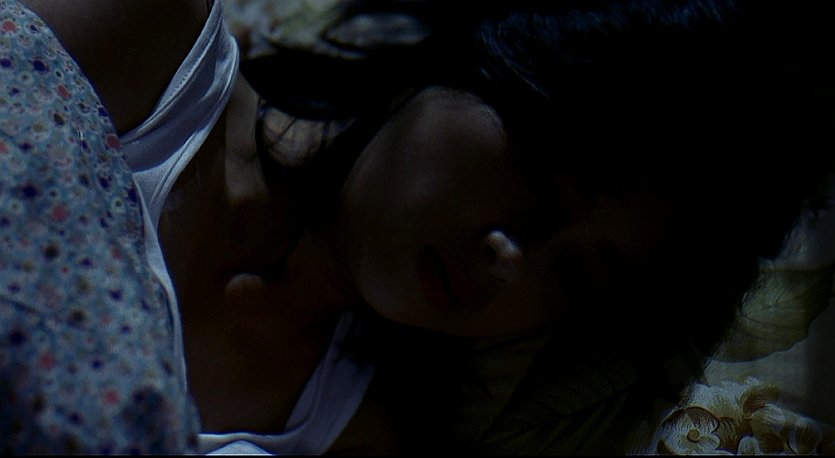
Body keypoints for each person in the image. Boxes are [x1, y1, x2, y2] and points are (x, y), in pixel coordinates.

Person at [1, 0, 834, 455]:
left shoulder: (354, 437)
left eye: (573, 276)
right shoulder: (149, 41)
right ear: (471, 61)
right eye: (541, 179)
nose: (507, 258)